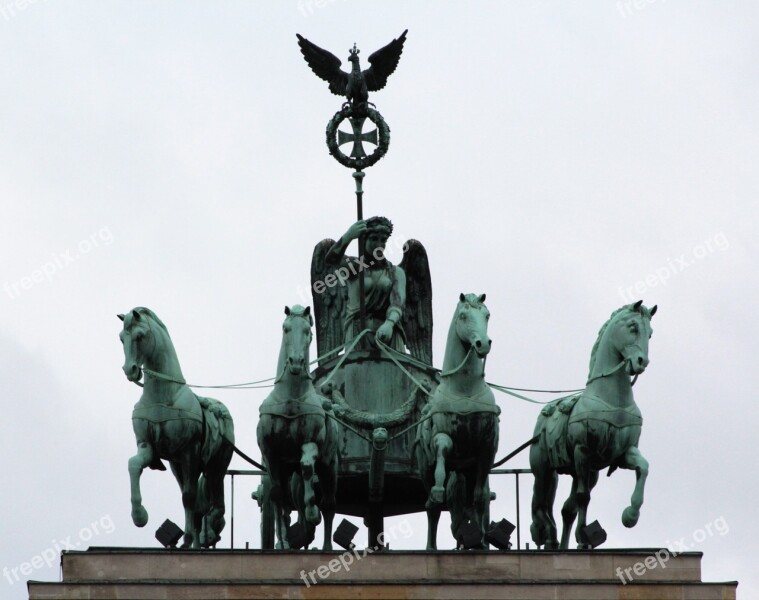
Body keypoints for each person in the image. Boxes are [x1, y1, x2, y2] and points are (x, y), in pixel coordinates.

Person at [325, 216, 406, 351]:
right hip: (358, 333)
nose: (379, 245)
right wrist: (349, 236)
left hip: (388, 335)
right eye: (374, 239)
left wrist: (389, 323)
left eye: (383, 240)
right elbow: (331, 260)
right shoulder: (354, 267)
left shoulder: (396, 272)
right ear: (363, 241)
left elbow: (398, 303)